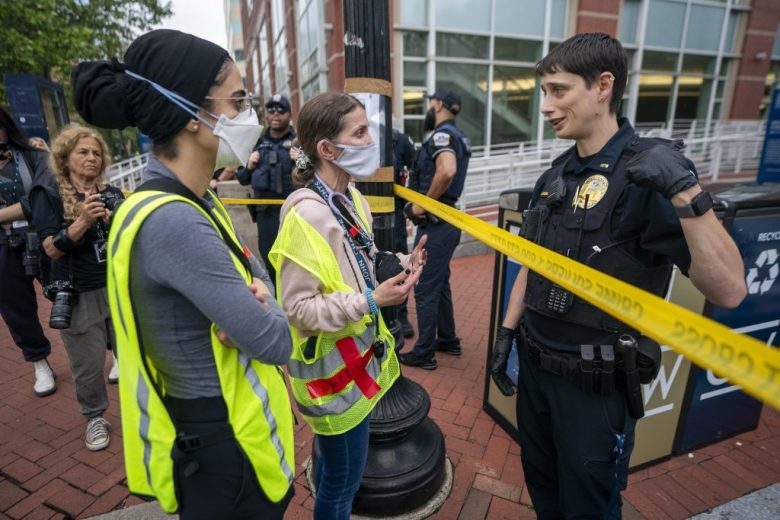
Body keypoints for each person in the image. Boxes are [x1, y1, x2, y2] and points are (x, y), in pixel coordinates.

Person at [489, 33, 747, 519]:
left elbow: (729, 289)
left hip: (595, 390)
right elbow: (536, 261)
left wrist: (687, 193)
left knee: (589, 507)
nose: (546, 106)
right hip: (537, 369)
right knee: (544, 492)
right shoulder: (557, 173)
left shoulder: (651, 172)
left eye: (559, 91)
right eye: (543, 92)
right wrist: (506, 335)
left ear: (603, 85)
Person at [72, 29, 295, 518]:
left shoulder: (193, 198)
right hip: (225, 449)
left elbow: (255, 273)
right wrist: (267, 304)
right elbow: (276, 340)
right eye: (238, 101)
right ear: (194, 114)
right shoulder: (175, 220)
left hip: (218, 436)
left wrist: (258, 290)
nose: (252, 114)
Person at [269, 92, 427, 520]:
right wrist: (371, 302)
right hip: (330, 381)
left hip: (359, 366)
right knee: (340, 485)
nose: (371, 140)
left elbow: (363, 258)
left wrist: (400, 263)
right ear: (327, 150)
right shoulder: (305, 216)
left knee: (345, 477)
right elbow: (298, 309)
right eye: (359, 133)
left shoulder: (351, 198)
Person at [29, 124, 123, 450]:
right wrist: (82, 221)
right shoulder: (50, 194)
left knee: (134, 350)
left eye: (97, 152)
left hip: (118, 288)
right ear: (66, 156)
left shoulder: (112, 192)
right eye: (83, 151)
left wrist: (116, 220)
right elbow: (50, 249)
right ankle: (95, 417)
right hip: (79, 292)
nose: (91, 158)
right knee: (87, 363)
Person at [399, 89, 471, 370]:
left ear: (438, 104)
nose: (429, 108)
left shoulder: (442, 136)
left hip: (437, 223)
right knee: (440, 284)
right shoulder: (458, 135)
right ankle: (448, 339)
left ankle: (424, 352)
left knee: (425, 286)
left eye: (431, 103)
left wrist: (422, 206)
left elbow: (447, 170)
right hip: (447, 220)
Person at [0, 106, 56, 397]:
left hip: (41, 237)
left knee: (69, 294)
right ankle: (39, 362)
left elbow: (42, 198)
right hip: (3, 249)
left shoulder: (34, 155)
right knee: (15, 308)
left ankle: (109, 349)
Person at [236, 94, 296, 281]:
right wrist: (249, 165)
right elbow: (242, 178)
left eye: (281, 110)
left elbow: (312, 175)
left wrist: (300, 160)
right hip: (266, 215)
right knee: (270, 261)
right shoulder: (256, 142)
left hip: (294, 214)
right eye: (271, 109)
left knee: (296, 263)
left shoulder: (298, 142)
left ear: (289, 114)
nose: (275, 114)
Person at [392, 127, 416, 338]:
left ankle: (401, 314)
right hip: (362, 213)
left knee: (400, 263)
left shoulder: (400, 140)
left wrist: (413, 203)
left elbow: (416, 169)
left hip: (395, 214)